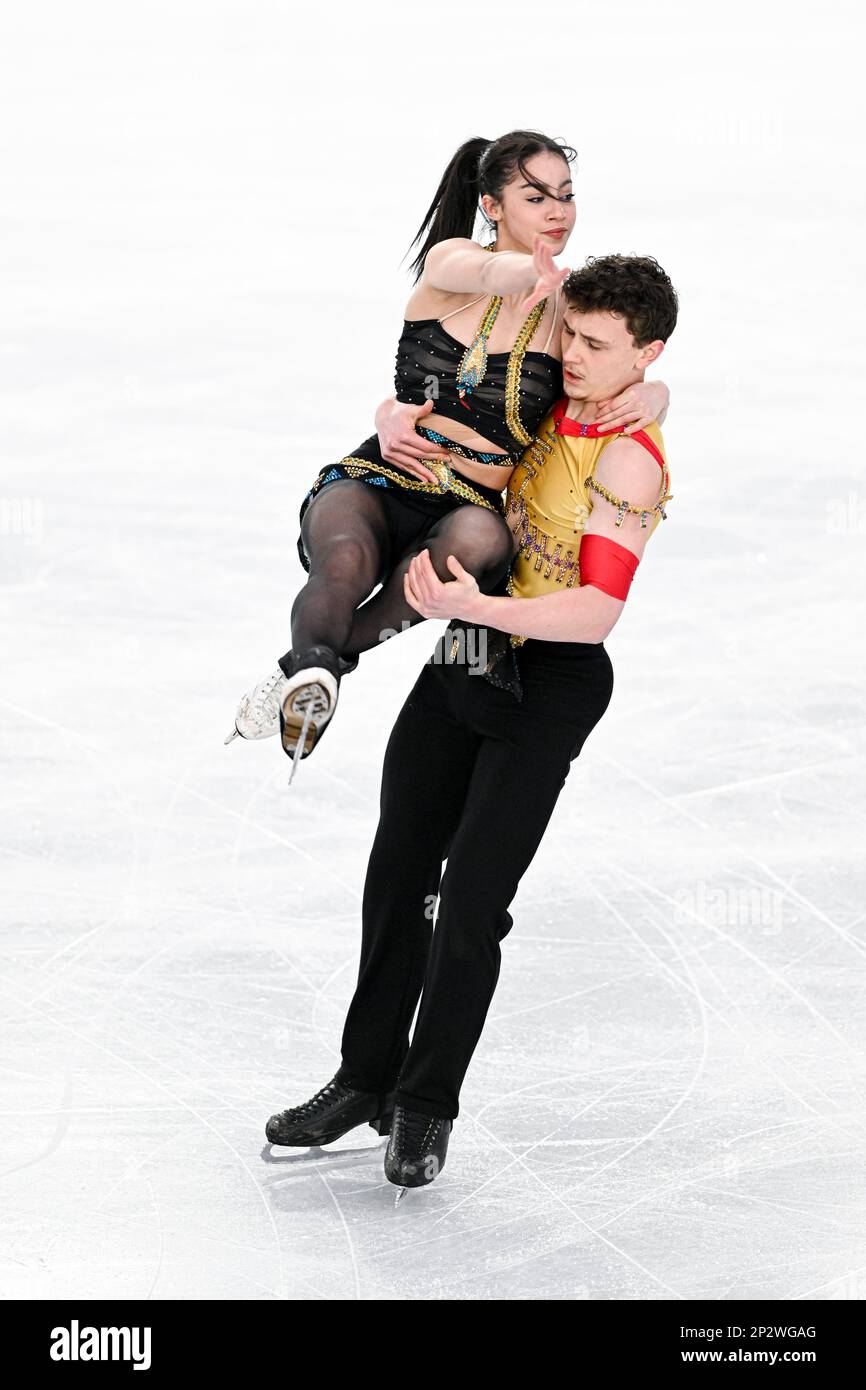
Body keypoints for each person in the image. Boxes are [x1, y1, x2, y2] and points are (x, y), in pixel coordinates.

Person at [264, 253, 678, 1192]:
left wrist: (483, 612)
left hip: (551, 680)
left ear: (644, 352)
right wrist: (389, 417)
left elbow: (597, 613)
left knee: (469, 906)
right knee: (397, 872)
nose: (570, 353)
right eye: (571, 332)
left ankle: (423, 1106)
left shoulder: (623, 455)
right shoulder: (567, 404)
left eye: (598, 345)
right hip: (468, 658)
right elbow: (459, 380)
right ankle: (363, 1079)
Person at [224, 131, 670, 777]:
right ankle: (313, 666)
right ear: (492, 205)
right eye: (535, 195)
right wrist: (531, 271)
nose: (558, 211)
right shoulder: (452, 263)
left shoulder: (573, 308)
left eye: (567, 196)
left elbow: (618, 363)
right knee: (345, 559)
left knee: (475, 545)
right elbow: (489, 271)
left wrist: (657, 391)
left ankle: (310, 666)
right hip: (384, 472)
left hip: (469, 502)